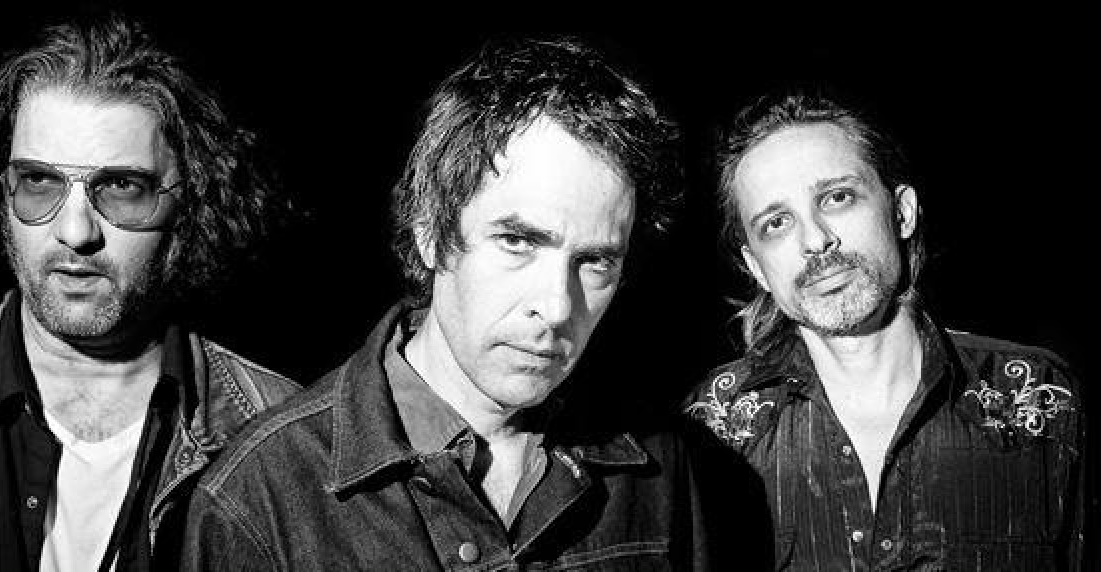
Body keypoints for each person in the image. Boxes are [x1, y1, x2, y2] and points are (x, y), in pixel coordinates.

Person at [181, 36, 709, 570]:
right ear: (430, 233)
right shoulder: (258, 499)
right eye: (518, 241)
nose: (556, 308)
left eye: (595, 261)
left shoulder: (658, 464)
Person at [0, 15, 298, 571]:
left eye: (122, 186)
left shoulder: (285, 437)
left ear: (191, 203)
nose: (76, 232)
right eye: (38, 181)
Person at [682, 91, 1089, 570]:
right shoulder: (711, 426)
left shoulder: (1037, 395)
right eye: (776, 223)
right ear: (756, 267)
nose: (816, 240)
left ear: (902, 212)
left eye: (837, 198)